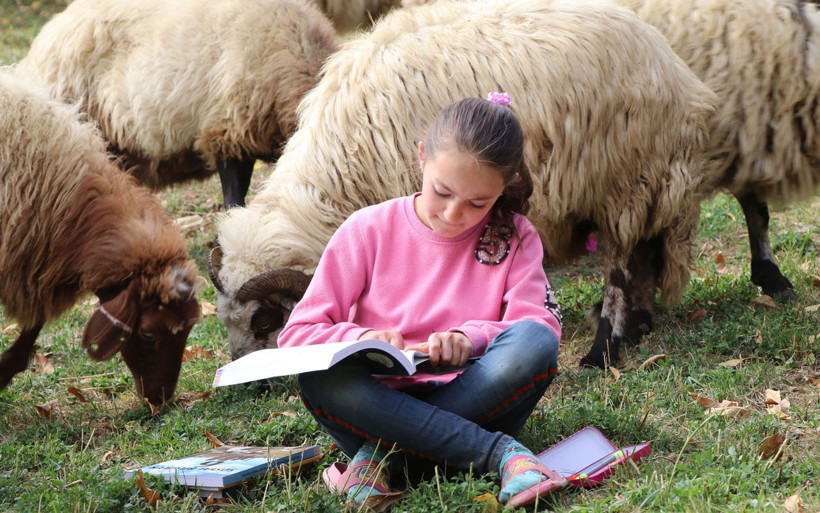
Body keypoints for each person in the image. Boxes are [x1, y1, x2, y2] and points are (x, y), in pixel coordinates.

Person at [277, 92, 566, 508]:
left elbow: (536, 325)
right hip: (375, 400)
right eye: (442, 192)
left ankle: (381, 459)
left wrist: (470, 338)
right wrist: (361, 339)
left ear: (503, 189)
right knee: (320, 377)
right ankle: (497, 453)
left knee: (535, 343)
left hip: (473, 394)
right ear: (421, 157)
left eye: (478, 203)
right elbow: (298, 334)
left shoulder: (516, 236)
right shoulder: (366, 229)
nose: (452, 214)